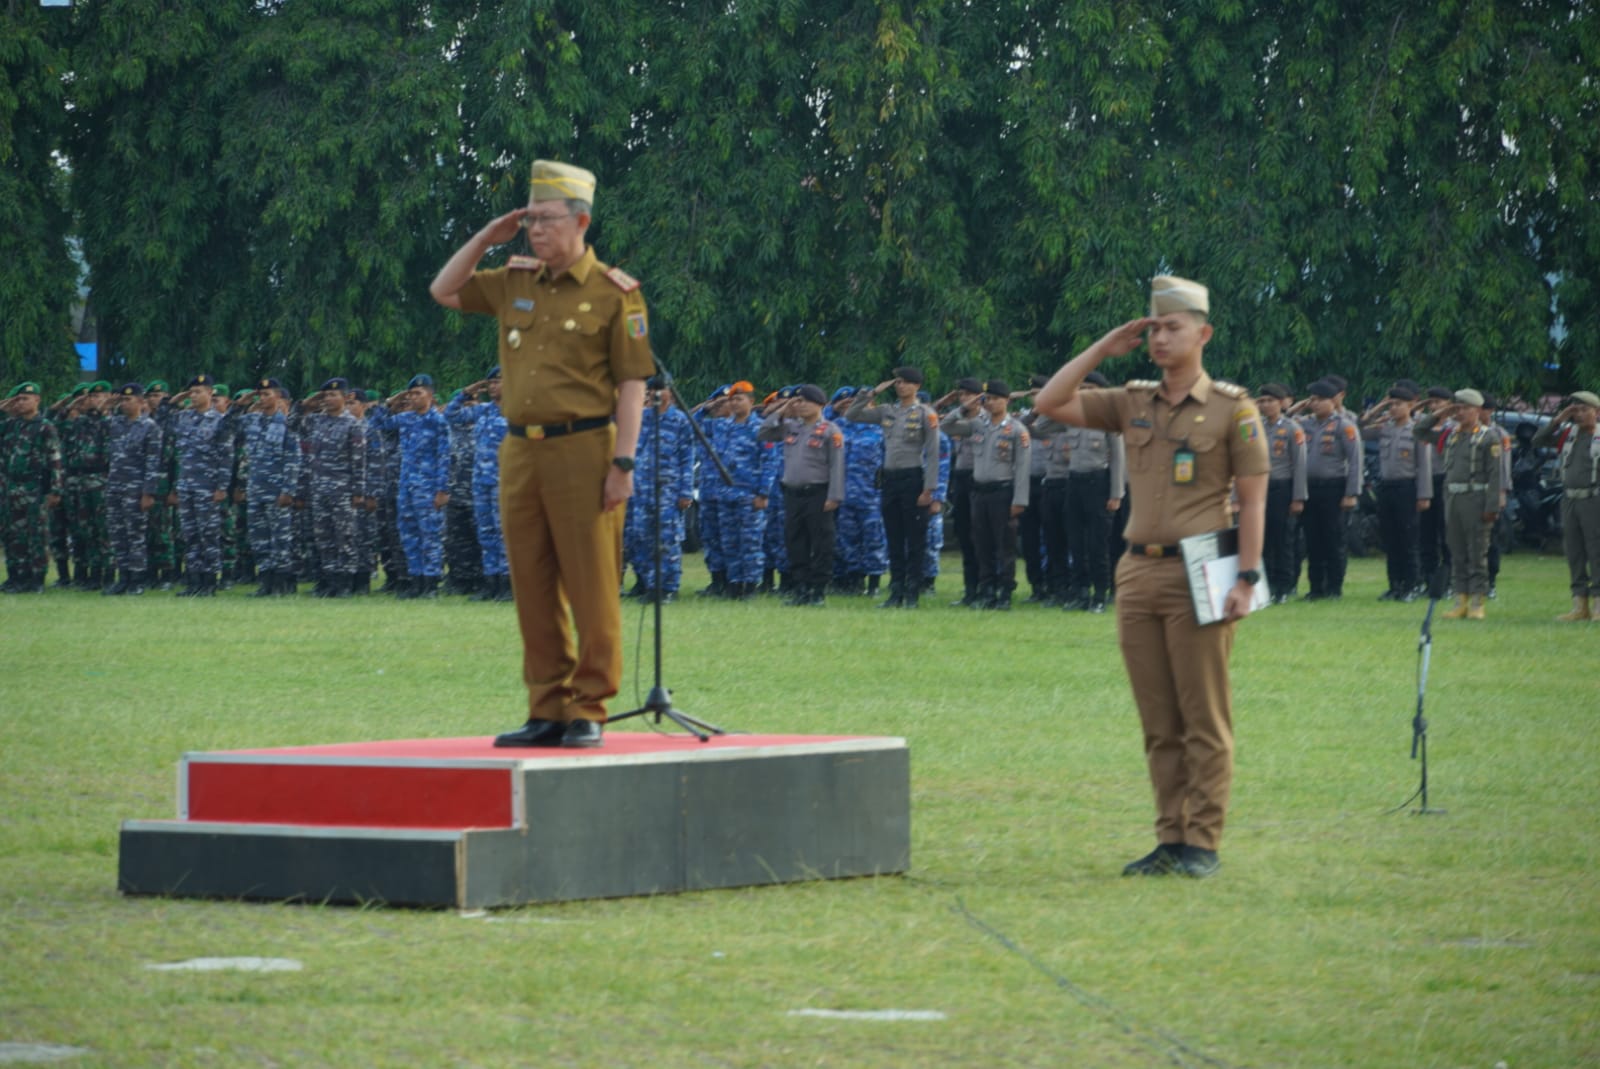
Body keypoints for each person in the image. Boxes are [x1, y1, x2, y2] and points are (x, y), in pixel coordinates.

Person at [1035, 275, 1269, 879]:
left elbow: (1253, 500)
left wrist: (1247, 577)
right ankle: (1169, 838)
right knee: (1158, 720)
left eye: (1174, 327)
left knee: (1204, 718)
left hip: (1202, 573)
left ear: (1204, 332)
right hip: (1137, 571)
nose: (1161, 339)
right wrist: (1099, 351)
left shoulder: (1233, 410)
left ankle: (1203, 843)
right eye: (1155, 329)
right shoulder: (1134, 402)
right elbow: (1050, 402)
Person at [430, 158, 653, 749]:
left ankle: (589, 708)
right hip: (520, 451)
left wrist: (623, 464)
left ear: (581, 221)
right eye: (530, 220)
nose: (535, 230)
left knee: (591, 583)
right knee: (530, 581)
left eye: (547, 219)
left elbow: (634, 385)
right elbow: (444, 289)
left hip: (585, 448)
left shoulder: (615, 294)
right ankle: (546, 706)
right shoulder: (516, 280)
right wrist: (485, 238)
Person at [845, 366, 941, 608]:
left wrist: (929, 489)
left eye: (906, 382)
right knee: (894, 538)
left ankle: (912, 594)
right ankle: (895, 591)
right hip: (890, 479)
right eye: (897, 382)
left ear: (916, 386)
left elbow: (932, 452)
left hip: (913, 479)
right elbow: (852, 415)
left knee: (915, 539)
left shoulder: (925, 414)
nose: (900, 386)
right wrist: (869, 394)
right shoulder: (887, 411)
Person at [1413, 389, 1503, 620]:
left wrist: (1492, 506)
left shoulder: (1488, 437)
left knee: (1477, 551)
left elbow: (1495, 476)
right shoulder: (1449, 435)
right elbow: (1419, 430)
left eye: (1465, 408)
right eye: (1458, 408)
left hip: (1476, 499)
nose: (1460, 413)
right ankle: (1460, 599)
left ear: (1477, 410)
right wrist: (1441, 412)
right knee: (1456, 550)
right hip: (1453, 499)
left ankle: (1477, 601)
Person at [942, 379, 1031, 610]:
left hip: (1003, 492)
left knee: (1004, 545)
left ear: (1007, 401)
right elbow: (947, 426)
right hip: (979, 492)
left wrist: (1020, 500)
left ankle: (1005, 592)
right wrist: (964, 407)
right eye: (987, 399)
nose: (991, 403)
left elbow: (1022, 468)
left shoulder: (1016, 430)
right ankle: (987, 590)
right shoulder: (978, 426)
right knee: (982, 544)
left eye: (996, 399)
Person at [759, 384, 845, 606]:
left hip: (818, 492)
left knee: (821, 542)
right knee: (794, 541)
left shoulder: (830, 430)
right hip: (792, 493)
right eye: (799, 401)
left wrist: (834, 496)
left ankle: (817, 590)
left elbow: (837, 465)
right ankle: (801, 588)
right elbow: (763, 431)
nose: (802, 405)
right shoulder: (790, 427)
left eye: (806, 401)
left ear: (820, 405)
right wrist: (783, 409)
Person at [1531, 390, 1600, 621]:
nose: (1579, 415)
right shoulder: (1568, 434)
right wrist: (1560, 419)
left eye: (1584, 410)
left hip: (1594, 500)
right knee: (1574, 551)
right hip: (1570, 499)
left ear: (1597, 413)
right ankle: (1579, 605)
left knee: (1596, 551)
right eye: (1575, 410)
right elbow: (1537, 440)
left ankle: (1598, 605)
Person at [1361, 385, 1432, 601]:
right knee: (1390, 540)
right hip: (1386, 487)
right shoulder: (1385, 428)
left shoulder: (1417, 430)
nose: (1394, 408)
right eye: (1391, 405)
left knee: (1408, 539)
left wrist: (1424, 495)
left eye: (1398, 404)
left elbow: (1424, 465)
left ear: (1411, 405)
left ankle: (1411, 586)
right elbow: (1360, 428)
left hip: (1407, 488)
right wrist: (1378, 408)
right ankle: (1395, 585)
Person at [1299, 379, 1362, 600]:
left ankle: (1334, 587)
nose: (1314, 404)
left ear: (1332, 401)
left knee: (1334, 540)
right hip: (1310, 489)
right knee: (1313, 540)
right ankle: (1316, 588)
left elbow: (1355, 461)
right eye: (1312, 400)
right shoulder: (1305, 425)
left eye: (1320, 400)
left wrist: (1351, 493)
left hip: (1334, 488)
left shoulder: (1344, 426)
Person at [0, 382, 64, 594]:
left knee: (36, 534)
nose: (21, 402)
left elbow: (55, 458)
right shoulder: (10, 425)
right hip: (11, 487)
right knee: (12, 534)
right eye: (18, 399)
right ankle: (17, 576)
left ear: (37, 400)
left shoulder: (45, 426)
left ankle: (37, 577)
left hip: (33, 486)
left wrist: (55, 490)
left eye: (25, 399)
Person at [101, 384, 163, 596]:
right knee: (117, 535)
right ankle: (123, 577)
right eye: (122, 400)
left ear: (140, 401)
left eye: (129, 400)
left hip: (135, 489)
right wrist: (105, 406)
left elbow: (153, 462)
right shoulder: (115, 423)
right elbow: (93, 425)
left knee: (135, 535)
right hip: (115, 487)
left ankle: (137, 579)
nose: (125, 403)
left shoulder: (150, 426)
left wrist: (148, 492)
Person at [1256, 383, 1306, 603]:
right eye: (1262, 401)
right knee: (1262, 540)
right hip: (1260, 488)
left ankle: (1284, 587)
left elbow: (1299, 465)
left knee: (1283, 540)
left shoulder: (1292, 428)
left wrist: (1297, 497)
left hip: (1282, 488)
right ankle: (1266, 585)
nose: (1266, 405)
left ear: (1281, 403)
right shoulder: (1256, 427)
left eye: (1271, 401)